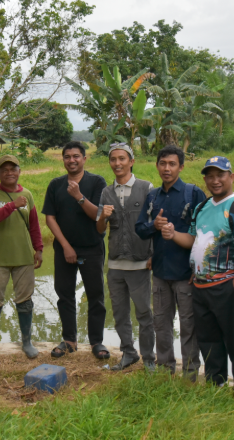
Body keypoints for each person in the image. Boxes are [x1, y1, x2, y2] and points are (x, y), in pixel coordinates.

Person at [161, 156, 234, 390]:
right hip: (200, 287)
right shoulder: (201, 207)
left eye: (220, 175)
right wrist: (172, 235)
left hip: (227, 286)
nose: (215, 181)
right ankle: (216, 386)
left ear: (231, 176)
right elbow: (192, 239)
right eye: (210, 176)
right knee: (209, 341)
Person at [135, 145, 205, 378]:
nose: (167, 168)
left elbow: (204, 235)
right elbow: (140, 229)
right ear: (157, 165)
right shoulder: (152, 196)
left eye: (172, 164)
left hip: (186, 274)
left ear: (181, 167)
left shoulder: (193, 194)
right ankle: (165, 369)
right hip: (160, 272)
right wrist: (152, 225)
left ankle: (190, 373)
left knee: (188, 326)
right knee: (161, 324)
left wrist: (198, 267)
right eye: (163, 163)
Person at [42, 141, 109, 359]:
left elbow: (99, 216)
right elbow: (50, 218)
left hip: (92, 248)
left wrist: (79, 196)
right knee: (65, 295)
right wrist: (65, 246)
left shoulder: (97, 182)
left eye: (76, 156)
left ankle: (96, 342)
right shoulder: (55, 184)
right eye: (67, 156)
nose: (72, 160)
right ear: (63, 159)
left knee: (95, 295)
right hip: (65, 249)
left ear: (84, 158)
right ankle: (69, 340)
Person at [96, 143, 155, 372]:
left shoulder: (146, 188)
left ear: (131, 161)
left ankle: (149, 359)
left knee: (144, 313)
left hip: (140, 263)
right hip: (115, 264)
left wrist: (154, 255)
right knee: (120, 313)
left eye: (122, 159)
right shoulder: (106, 192)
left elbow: (155, 225)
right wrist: (103, 216)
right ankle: (129, 353)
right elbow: (100, 229)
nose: (117, 163)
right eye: (113, 159)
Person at [0, 155, 44, 359]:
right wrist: (11, 205)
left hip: (23, 257)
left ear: (19, 171)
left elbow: (33, 224)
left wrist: (39, 249)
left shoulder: (27, 194)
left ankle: (26, 341)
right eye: (4, 169)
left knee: (25, 300)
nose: (9, 172)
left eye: (13, 169)